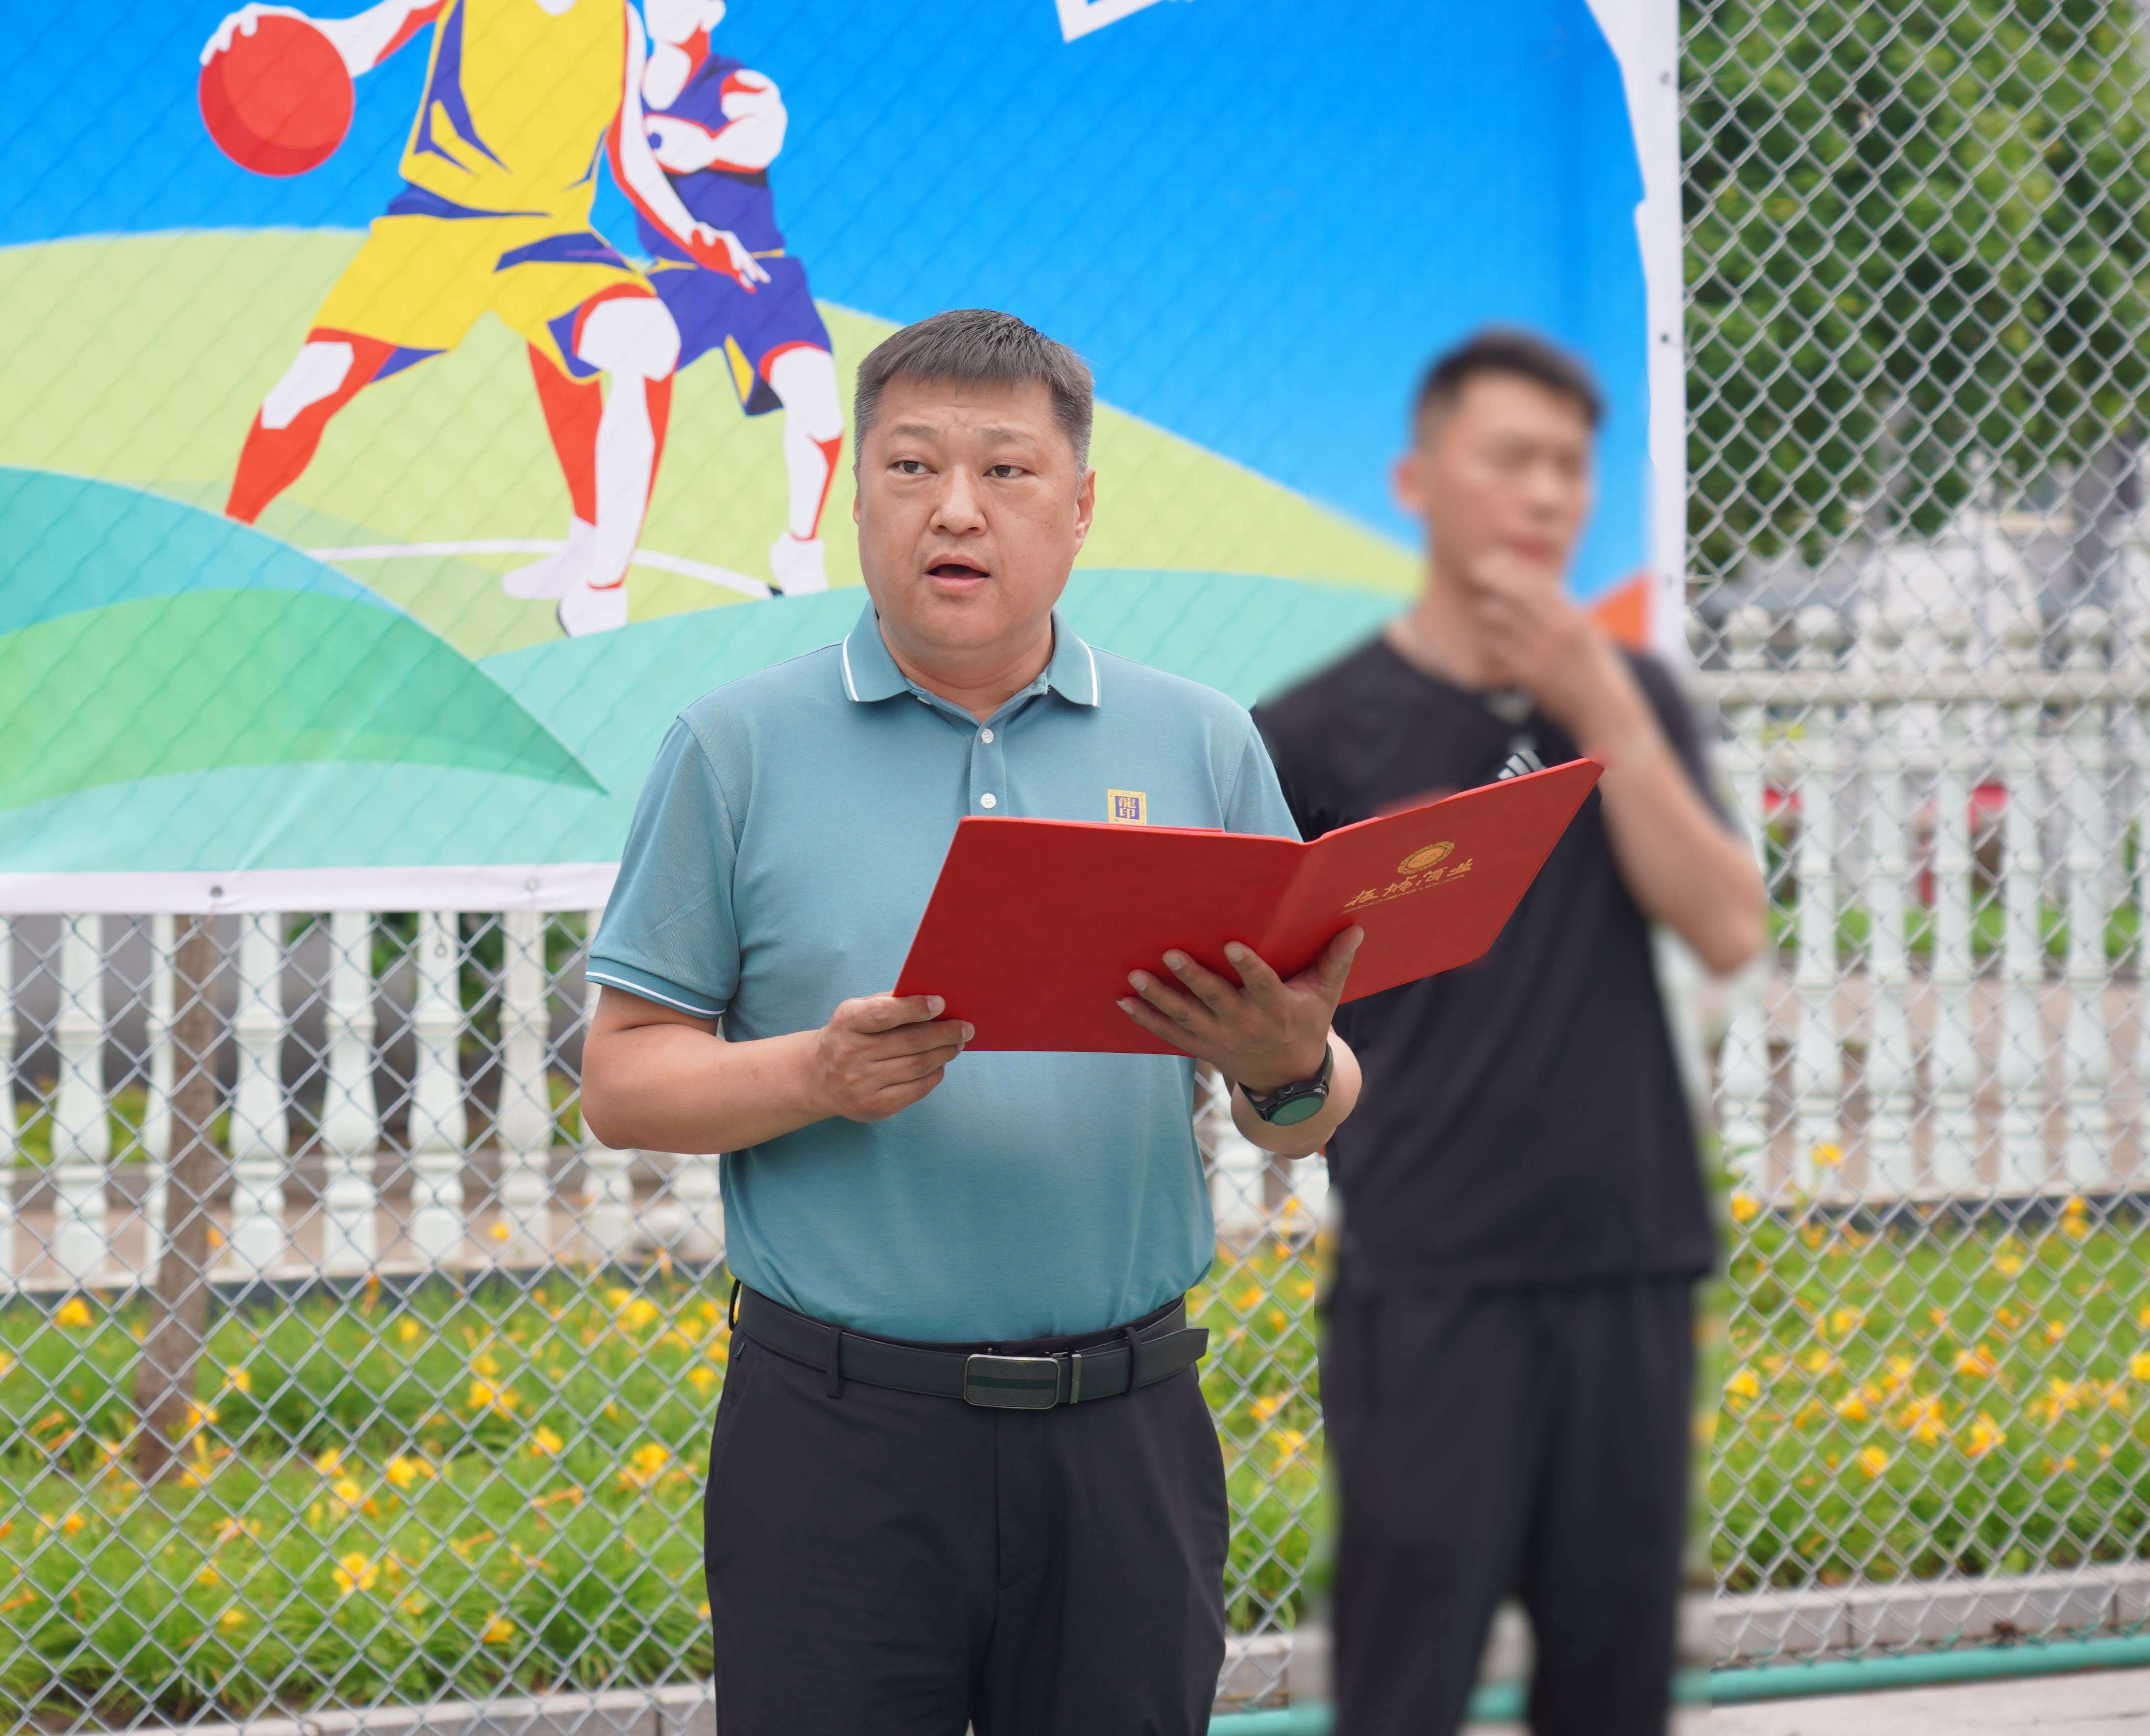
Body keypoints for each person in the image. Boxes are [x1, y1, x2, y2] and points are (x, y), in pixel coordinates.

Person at [580, 308, 1366, 1735]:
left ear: (1079, 508)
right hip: (838, 1442)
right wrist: (816, 1072)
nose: (955, 508)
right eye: (911, 466)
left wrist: (1289, 1066)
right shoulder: (734, 747)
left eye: (1006, 470)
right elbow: (623, 1079)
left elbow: (1306, 1104)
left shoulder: (1199, 743)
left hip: (1125, 1436)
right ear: (854, 497)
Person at [1251, 329, 1766, 1736]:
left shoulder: (1629, 697)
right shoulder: (1316, 733)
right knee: (1404, 1674)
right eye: (1508, 459)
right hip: (1429, 1275)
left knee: (1612, 1680)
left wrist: (1603, 711)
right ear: (1417, 480)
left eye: (1568, 467)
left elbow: (1726, 924)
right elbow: (1257, 1020)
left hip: (1628, 1257)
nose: (1544, 494)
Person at [201, 0, 766, 636]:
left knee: (648, 340)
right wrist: (279, 41)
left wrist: (696, 235)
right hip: (437, 223)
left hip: (548, 240)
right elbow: (356, 40)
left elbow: (631, 160)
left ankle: (599, 584)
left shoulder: (620, 23)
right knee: (305, 389)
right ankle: (222, 551)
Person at [510, 0, 844, 610]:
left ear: (711, 11)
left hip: (759, 272)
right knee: (560, 348)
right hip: (679, 277)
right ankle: (589, 541)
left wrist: (705, 147)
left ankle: (798, 552)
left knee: (819, 406)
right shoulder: (619, 86)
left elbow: (762, 134)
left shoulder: (738, 82)